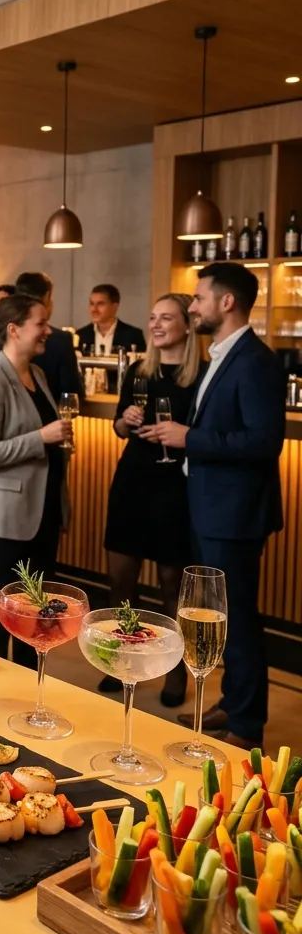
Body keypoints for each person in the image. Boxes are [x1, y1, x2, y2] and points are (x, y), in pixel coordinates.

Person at [148, 262, 286, 749]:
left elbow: (264, 442)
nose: (193, 306)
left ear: (226, 302)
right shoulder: (222, 355)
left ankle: (247, 726)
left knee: (240, 619)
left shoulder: (256, 361)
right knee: (224, 618)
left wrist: (190, 438)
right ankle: (233, 701)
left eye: (199, 297)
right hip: (210, 507)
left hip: (235, 513)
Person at [100, 293, 198, 704]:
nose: (156, 325)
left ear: (187, 326)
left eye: (166, 318)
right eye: (153, 317)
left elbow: (203, 432)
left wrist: (182, 434)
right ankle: (122, 660)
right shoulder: (140, 371)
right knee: (121, 580)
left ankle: (175, 673)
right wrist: (124, 420)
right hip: (133, 482)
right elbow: (119, 427)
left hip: (175, 488)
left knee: (171, 586)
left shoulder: (200, 375)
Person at [0, 295, 71, 668]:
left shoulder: (37, 374)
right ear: (14, 330)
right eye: (40, 323)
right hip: (9, 516)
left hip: (43, 510)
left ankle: (30, 682)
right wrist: (41, 438)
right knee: (5, 613)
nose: (48, 331)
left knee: (35, 613)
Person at [16, 271, 83, 403]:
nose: (47, 332)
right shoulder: (60, 340)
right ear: (47, 297)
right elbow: (71, 397)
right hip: (51, 414)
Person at [76, 284, 146, 357]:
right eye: (92, 304)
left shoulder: (133, 336)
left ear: (114, 307)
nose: (94, 309)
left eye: (100, 304)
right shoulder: (80, 335)